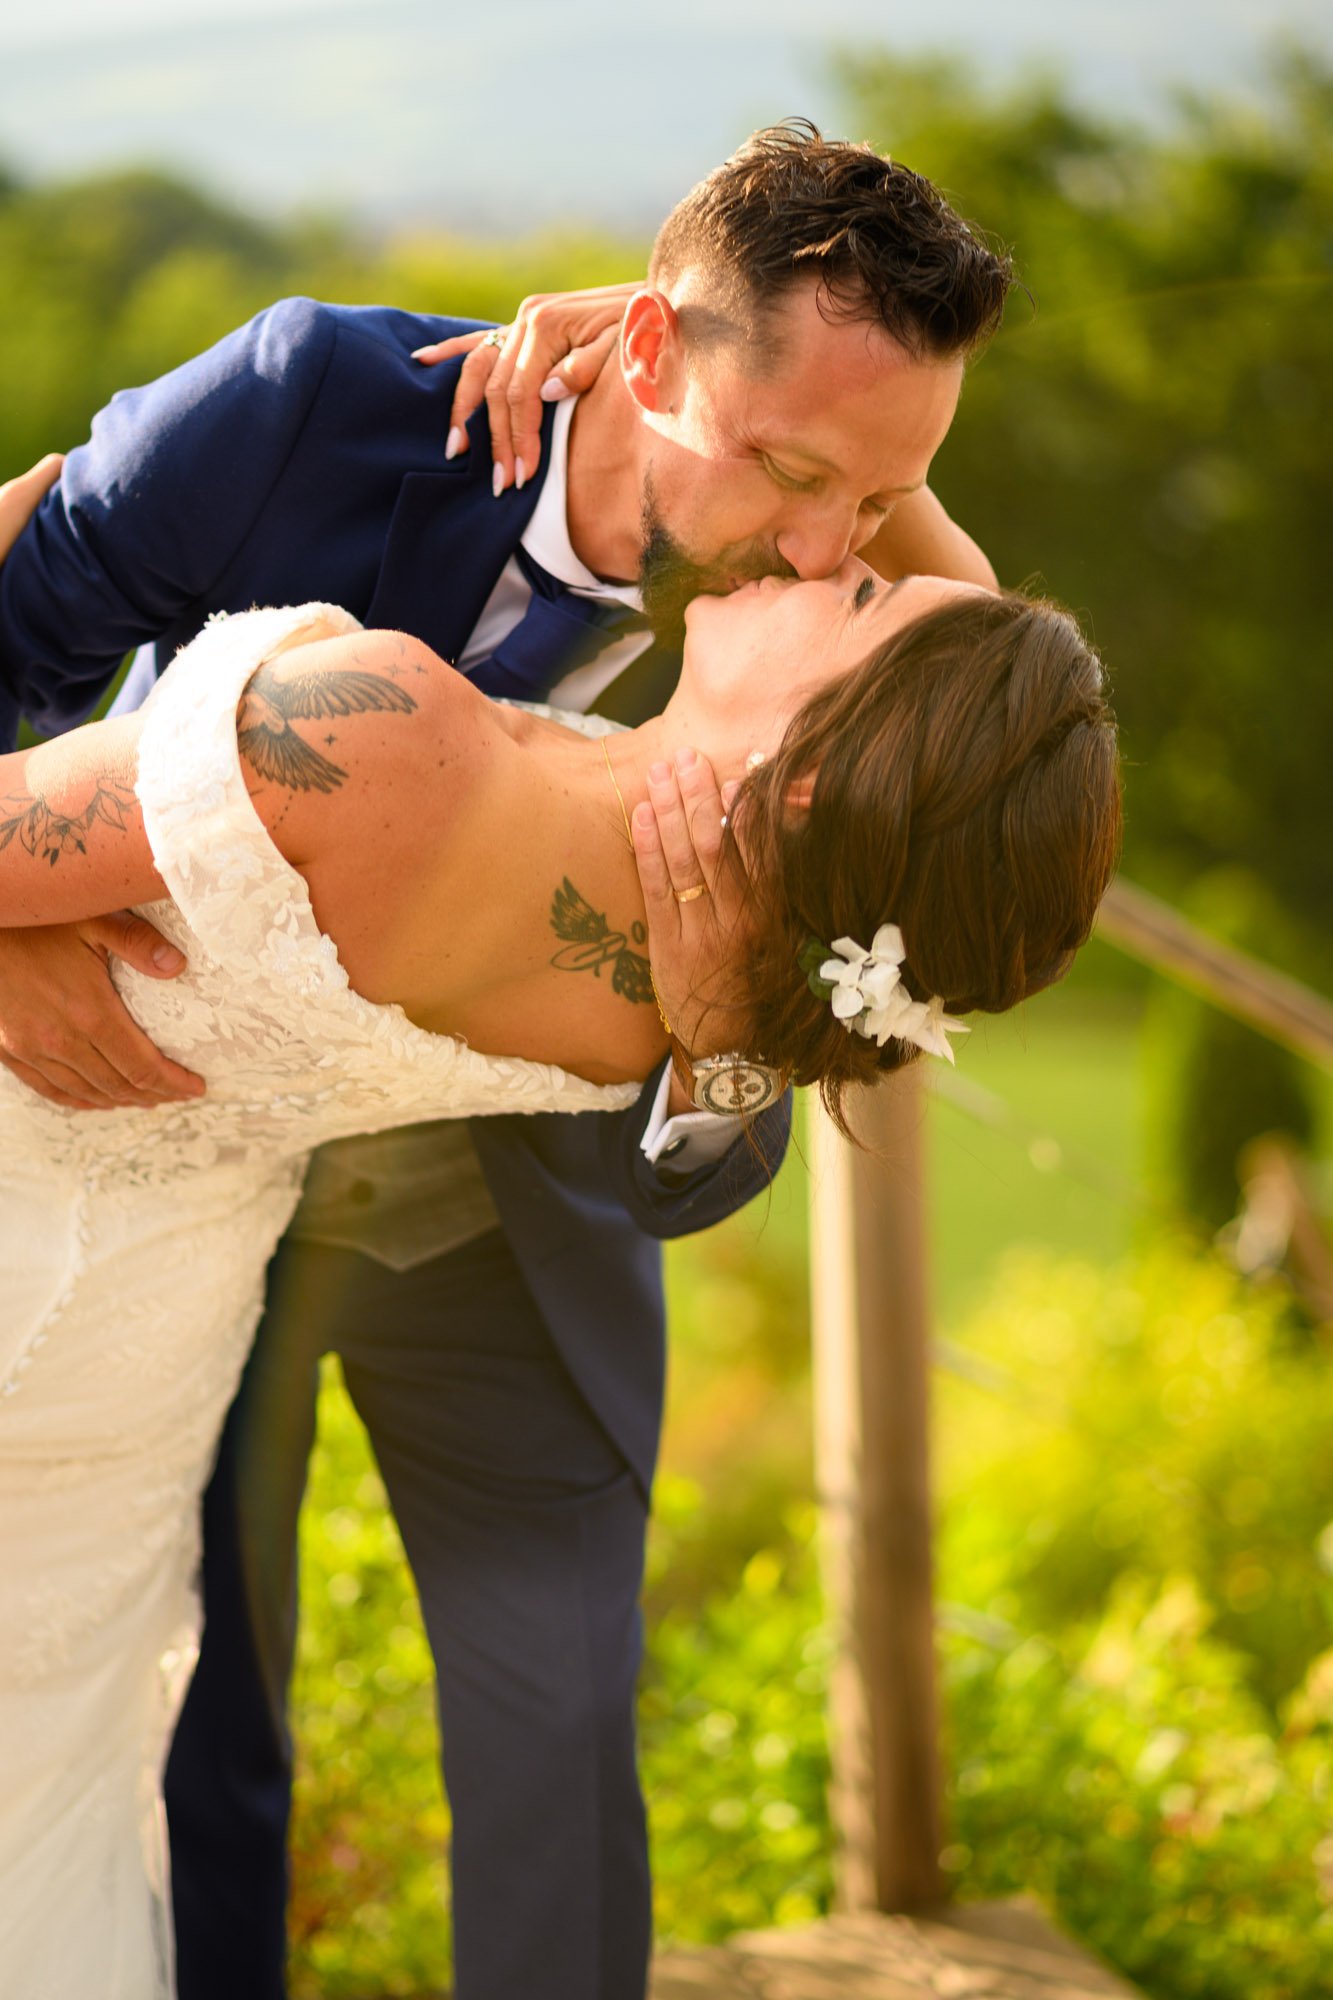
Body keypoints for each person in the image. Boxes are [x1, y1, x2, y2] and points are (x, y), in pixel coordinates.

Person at [0, 124, 1016, 2000]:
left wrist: (716, 1055)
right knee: (195, 1703)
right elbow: (9, 636)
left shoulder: (823, 602)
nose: (821, 545)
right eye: (792, 471)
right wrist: (17, 948)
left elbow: (1012, 697)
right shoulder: (313, 401)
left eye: (874, 511)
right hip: (157, 1144)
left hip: (520, 1204)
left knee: (556, 1720)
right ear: (645, 354)